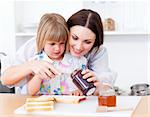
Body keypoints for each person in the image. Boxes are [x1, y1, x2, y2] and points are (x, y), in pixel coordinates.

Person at [1, 9, 116, 95]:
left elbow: (102, 87)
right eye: (74, 38)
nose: (79, 47)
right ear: (66, 32)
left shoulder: (83, 60)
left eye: (87, 42)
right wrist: (32, 67)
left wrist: (99, 86)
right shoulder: (36, 47)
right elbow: (7, 79)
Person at [27, 13, 87, 95]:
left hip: (70, 105)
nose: (57, 48)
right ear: (41, 41)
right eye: (52, 44)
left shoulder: (77, 61)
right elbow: (31, 92)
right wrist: (38, 76)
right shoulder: (36, 62)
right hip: (47, 105)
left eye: (62, 43)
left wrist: (79, 92)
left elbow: (84, 87)